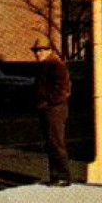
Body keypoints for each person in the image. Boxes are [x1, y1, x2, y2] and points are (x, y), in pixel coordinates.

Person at [33, 38, 72, 186]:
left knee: (56, 143)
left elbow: (63, 90)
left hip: (55, 109)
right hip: (48, 108)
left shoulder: (56, 66)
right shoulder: (45, 66)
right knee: (51, 143)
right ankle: (56, 176)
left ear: (49, 51)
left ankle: (62, 177)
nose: (38, 54)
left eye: (41, 50)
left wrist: (47, 101)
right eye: (36, 51)